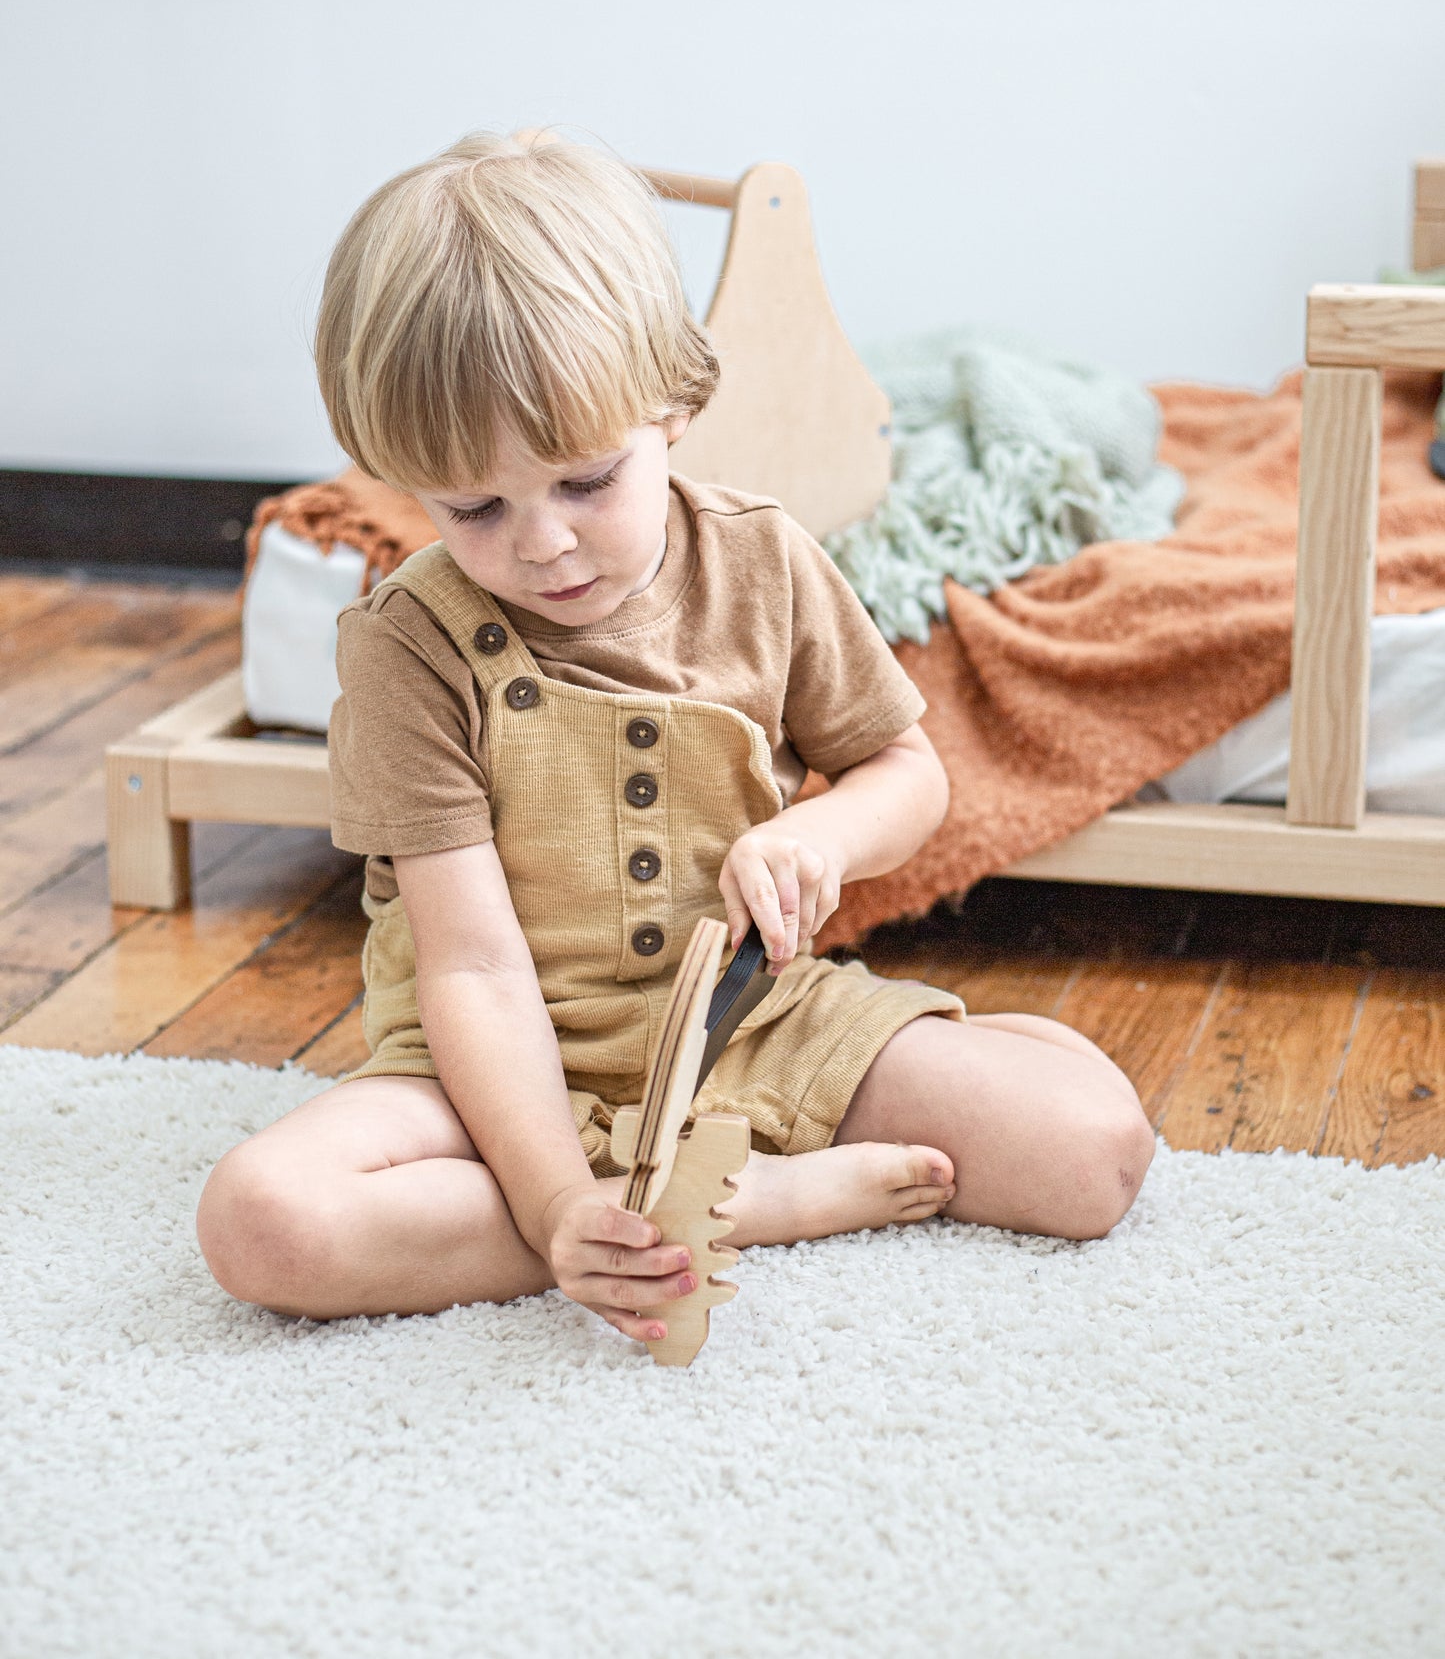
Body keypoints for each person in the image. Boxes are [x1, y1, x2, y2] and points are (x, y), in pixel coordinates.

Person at [197, 132, 1154, 1343]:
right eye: (476, 507)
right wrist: (552, 1204)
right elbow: (475, 973)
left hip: (743, 1025)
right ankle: (744, 1202)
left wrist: (820, 834)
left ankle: (684, 1186)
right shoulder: (407, 645)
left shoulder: (762, 559)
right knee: (260, 1221)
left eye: (587, 481)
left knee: (1093, 1153)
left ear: (677, 405)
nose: (542, 543)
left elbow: (902, 773)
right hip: (482, 1067)